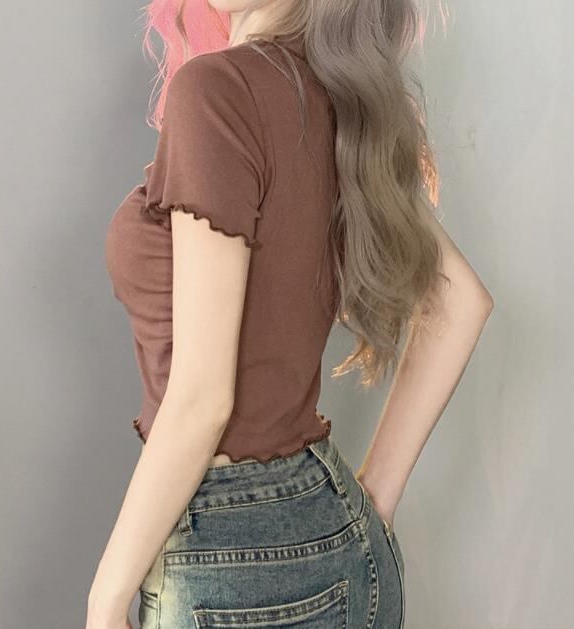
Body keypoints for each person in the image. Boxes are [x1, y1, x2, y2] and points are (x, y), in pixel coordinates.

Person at [88, 1, 493, 628]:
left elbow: (202, 402)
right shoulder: (340, 100)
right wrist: (371, 504)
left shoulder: (217, 91)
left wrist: (106, 598)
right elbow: (461, 300)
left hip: (224, 558)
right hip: (336, 534)